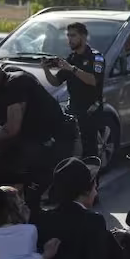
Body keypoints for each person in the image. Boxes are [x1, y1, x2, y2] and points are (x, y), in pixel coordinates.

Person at [0, 53, 75, 208]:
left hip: (53, 142)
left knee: (29, 196)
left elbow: (12, 128)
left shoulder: (16, 83)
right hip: (31, 140)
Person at [42, 22, 105, 159]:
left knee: (90, 153)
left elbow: (93, 80)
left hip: (90, 111)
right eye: (68, 36)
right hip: (74, 110)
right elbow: (55, 82)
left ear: (83, 37)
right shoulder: (71, 58)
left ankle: (92, 178)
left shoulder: (96, 57)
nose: (69, 39)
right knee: (71, 150)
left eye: (73, 35)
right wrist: (46, 69)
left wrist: (71, 68)